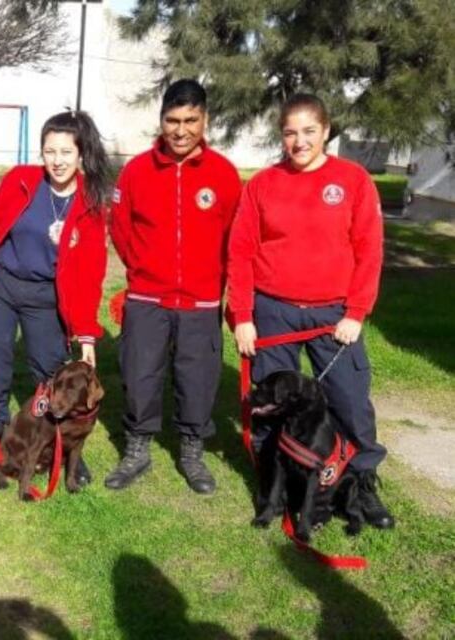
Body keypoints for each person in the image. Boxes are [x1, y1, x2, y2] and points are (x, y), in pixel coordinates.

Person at [227, 93, 394, 529]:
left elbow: (369, 250)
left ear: (325, 131)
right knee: (269, 405)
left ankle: (358, 485)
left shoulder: (353, 180)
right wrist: (243, 314)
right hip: (273, 312)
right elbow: (241, 251)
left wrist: (356, 312)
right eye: (289, 132)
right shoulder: (262, 184)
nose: (298, 141)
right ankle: (273, 490)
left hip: (333, 316)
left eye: (308, 131)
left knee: (349, 401)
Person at [0, 111, 110, 492]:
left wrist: (87, 335)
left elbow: (91, 273)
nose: (57, 160)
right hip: (2, 284)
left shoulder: (91, 202)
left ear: (80, 155)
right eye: (49, 151)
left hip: (46, 295)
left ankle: (64, 440)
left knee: (51, 372)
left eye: (65, 151)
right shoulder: (21, 181)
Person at [105, 80, 242, 495]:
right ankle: (137, 448)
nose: (181, 130)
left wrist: (215, 280)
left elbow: (235, 234)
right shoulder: (136, 171)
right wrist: (145, 268)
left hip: (200, 300)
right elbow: (121, 227)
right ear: (161, 120)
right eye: (172, 120)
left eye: (190, 120)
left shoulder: (223, 174)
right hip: (147, 296)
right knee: (139, 373)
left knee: (196, 377)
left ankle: (191, 451)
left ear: (205, 120)